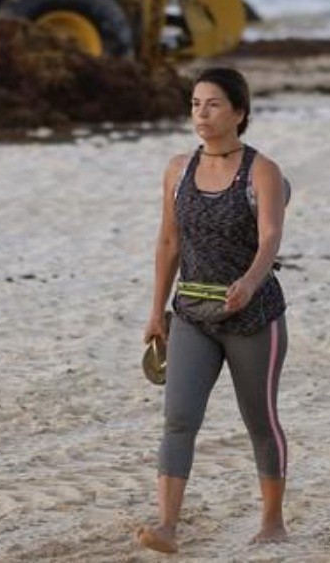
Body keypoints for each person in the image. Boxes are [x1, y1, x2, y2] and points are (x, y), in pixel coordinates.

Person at [137, 67, 290, 554]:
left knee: (259, 420)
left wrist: (249, 282)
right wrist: (156, 311)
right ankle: (167, 525)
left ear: (239, 113)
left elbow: (270, 237)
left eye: (214, 104)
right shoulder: (178, 169)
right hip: (192, 313)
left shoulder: (261, 171)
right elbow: (168, 241)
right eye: (195, 104)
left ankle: (272, 521)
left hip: (252, 316)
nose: (201, 114)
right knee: (178, 419)